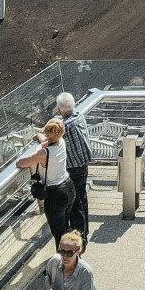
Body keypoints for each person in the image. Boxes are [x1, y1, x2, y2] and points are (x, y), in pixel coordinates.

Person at [17, 118, 77, 244]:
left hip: (55, 196)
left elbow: (21, 163)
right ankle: (73, 258)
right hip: (69, 188)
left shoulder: (44, 153)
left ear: (47, 133)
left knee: (59, 236)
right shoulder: (61, 141)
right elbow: (47, 141)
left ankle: (63, 261)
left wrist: (38, 147)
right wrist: (40, 137)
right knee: (66, 230)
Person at [56, 92, 93, 241]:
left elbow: (51, 136)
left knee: (75, 204)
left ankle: (80, 237)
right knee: (82, 200)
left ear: (59, 109)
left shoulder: (66, 126)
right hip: (83, 166)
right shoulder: (79, 117)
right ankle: (84, 233)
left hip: (73, 170)